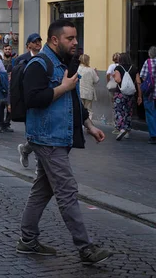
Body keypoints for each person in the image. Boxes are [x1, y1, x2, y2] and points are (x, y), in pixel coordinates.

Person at [17, 19, 113, 265]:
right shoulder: (39, 64)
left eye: (76, 38)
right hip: (47, 138)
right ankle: (86, 248)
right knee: (67, 190)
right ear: (54, 40)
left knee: (43, 189)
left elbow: (72, 100)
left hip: (59, 136)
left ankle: (27, 240)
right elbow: (32, 99)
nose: (75, 42)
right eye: (70, 38)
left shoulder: (62, 65)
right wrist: (63, 87)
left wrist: (89, 126)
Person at [16, 33, 44, 165]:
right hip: (27, 101)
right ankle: (28, 153)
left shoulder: (46, 58)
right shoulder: (21, 59)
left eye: (39, 41)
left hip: (43, 99)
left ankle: (27, 152)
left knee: (41, 133)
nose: (38, 43)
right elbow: (15, 83)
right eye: (35, 41)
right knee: (33, 133)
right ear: (29, 45)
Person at [111, 52, 141, 141]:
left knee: (119, 111)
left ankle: (121, 128)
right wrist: (139, 96)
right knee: (128, 111)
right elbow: (138, 82)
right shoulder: (134, 68)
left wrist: (114, 76)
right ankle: (127, 131)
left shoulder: (118, 68)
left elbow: (118, 79)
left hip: (120, 93)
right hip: (131, 94)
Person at [139, 46, 156, 144]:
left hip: (150, 93)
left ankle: (154, 136)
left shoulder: (148, 62)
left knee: (150, 113)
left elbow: (143, 77)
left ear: (150, 54)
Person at [78, 54, 100, 122]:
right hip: (88, 93)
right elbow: (96, 80)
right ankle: (89, 125)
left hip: (79, 91)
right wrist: (96, 73)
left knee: (79, 108)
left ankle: (80, 124)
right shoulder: (91, 70)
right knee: (88, 110)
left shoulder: (77, 69)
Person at [106, 52, 121, 133]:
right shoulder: (121, 66)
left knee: (113, 106)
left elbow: (108, 74)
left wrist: (108, 81)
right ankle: (120, 123)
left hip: (112, 87)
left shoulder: (112, 66)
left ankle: (115, 123)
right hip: (120, 87)